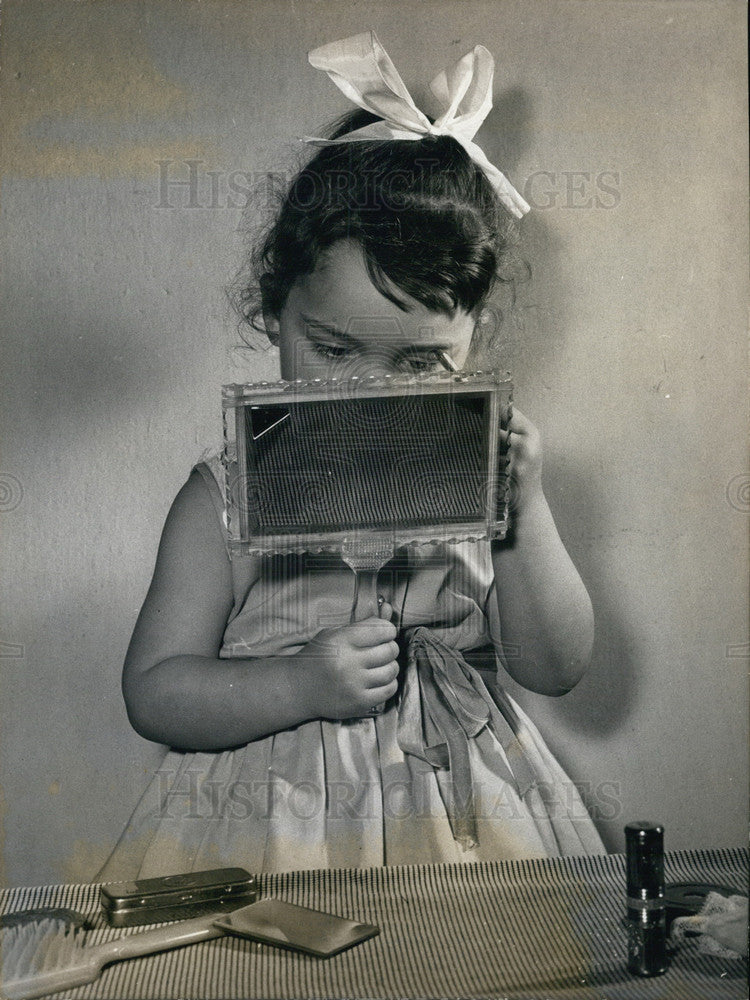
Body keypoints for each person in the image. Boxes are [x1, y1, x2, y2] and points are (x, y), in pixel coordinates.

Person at [98, 32, 605, 880]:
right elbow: (154, 691)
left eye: (416, 363)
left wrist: (528, 511)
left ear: (474, 343)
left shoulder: (485, 476)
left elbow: (557, 668)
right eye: (333, 350)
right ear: (274, 312)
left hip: (463, 813)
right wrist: (295, 685)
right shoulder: (220, 496)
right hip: (273, 823)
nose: (367, 392)